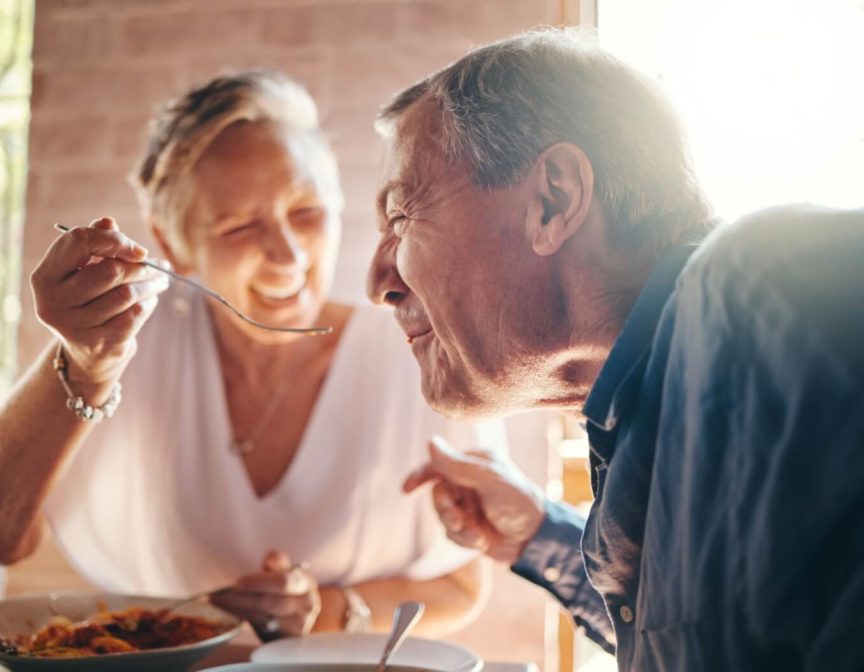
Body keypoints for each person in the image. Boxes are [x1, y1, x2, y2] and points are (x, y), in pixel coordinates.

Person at [368, 28, 864, 671]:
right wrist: (539, 537)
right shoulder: (644, 411)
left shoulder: (760, 298)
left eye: (401, 216)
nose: (378, 282)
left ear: (555, 199)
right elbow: (709, 626)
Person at [0, 70, 503, 638]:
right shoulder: (122, 340)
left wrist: (323, 613)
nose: (286, 254)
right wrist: (84, 366)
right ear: (171, 243)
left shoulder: (419, 351)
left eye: (306, 213)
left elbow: (461, 587)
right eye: (239, 226)